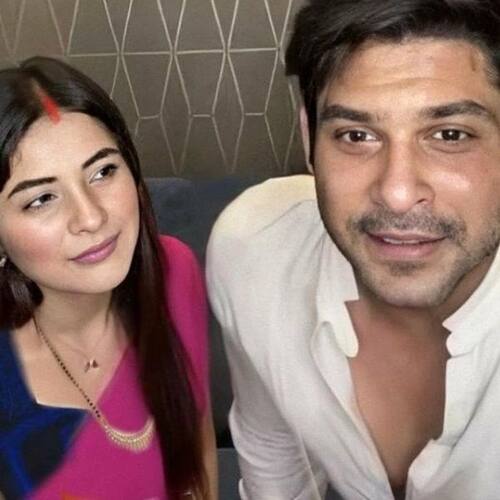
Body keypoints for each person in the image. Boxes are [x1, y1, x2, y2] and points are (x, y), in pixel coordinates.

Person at [206, 0, 500, 498]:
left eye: (449, 135)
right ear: (309, 137)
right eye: (356, 135)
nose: (397, 192)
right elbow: (272, 451)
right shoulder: (254, 249)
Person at [0, 57, 216, 499]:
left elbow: (198, 449)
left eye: (103, 172)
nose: (91, 217)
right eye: (41, 199)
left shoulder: (174, 272)